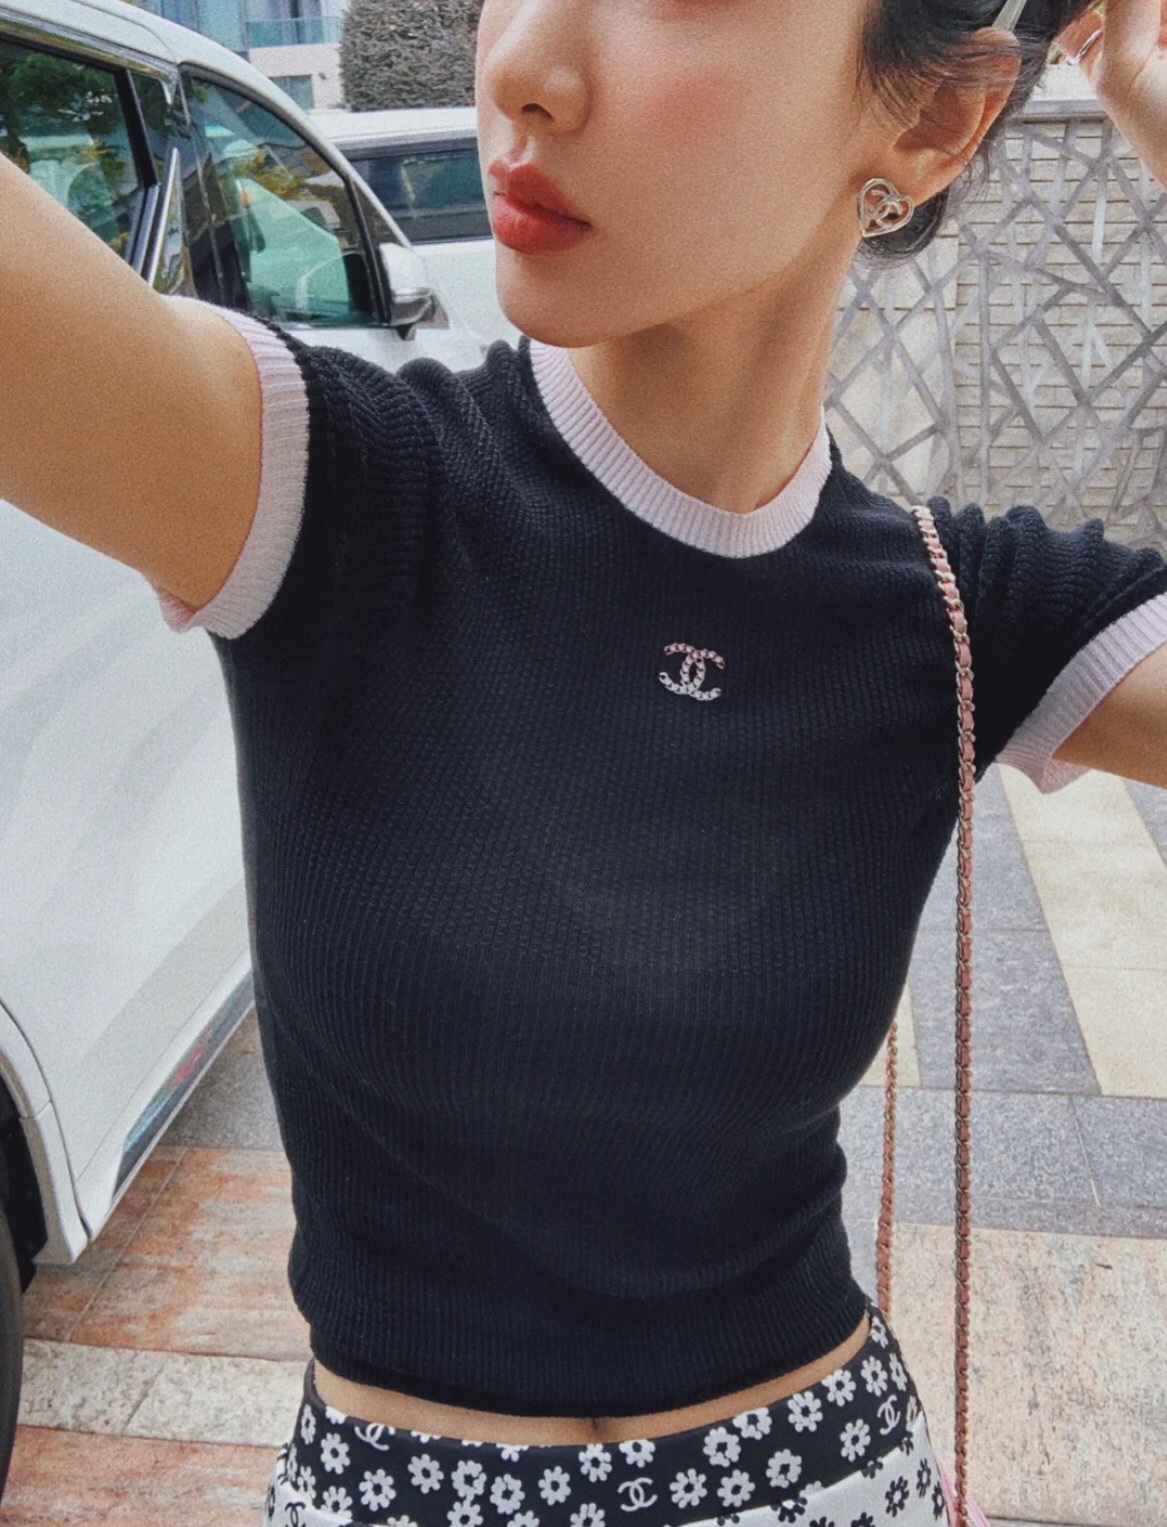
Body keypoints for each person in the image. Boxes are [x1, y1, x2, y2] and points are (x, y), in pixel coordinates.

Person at [2, 0, 1166, 1523]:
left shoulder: (964, 613)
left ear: (935, 119)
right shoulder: (323, 489)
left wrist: (1150, 95)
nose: (520, 67)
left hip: (827, 1477)